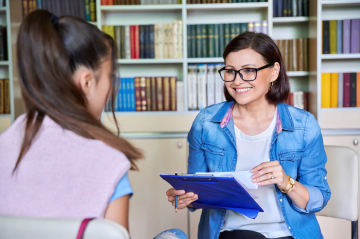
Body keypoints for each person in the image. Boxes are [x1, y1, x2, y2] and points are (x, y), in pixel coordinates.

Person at [0, 10, 186, 239]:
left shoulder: (4, 144)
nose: (111, 87)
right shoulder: (109, 159)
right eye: (110, 75)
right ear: (87, 82)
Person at [166, 32, 331, 239]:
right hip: (232, 233)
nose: (237, 81)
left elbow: (318, 199)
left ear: (274, 72)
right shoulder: (206, 123)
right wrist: (184, 197)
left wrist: (286, 182)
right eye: (230, 71)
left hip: (291, 234)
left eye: (249, 71)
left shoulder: (304, 126)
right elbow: (197, 189)